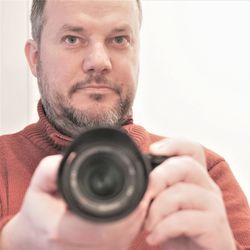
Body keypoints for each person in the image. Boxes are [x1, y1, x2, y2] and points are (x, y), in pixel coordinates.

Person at [0, 0, 249, 249]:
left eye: (119, 39)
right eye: (72, 39)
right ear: (35, 58)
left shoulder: (202, 175)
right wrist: (13, 241)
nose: (99, 61)